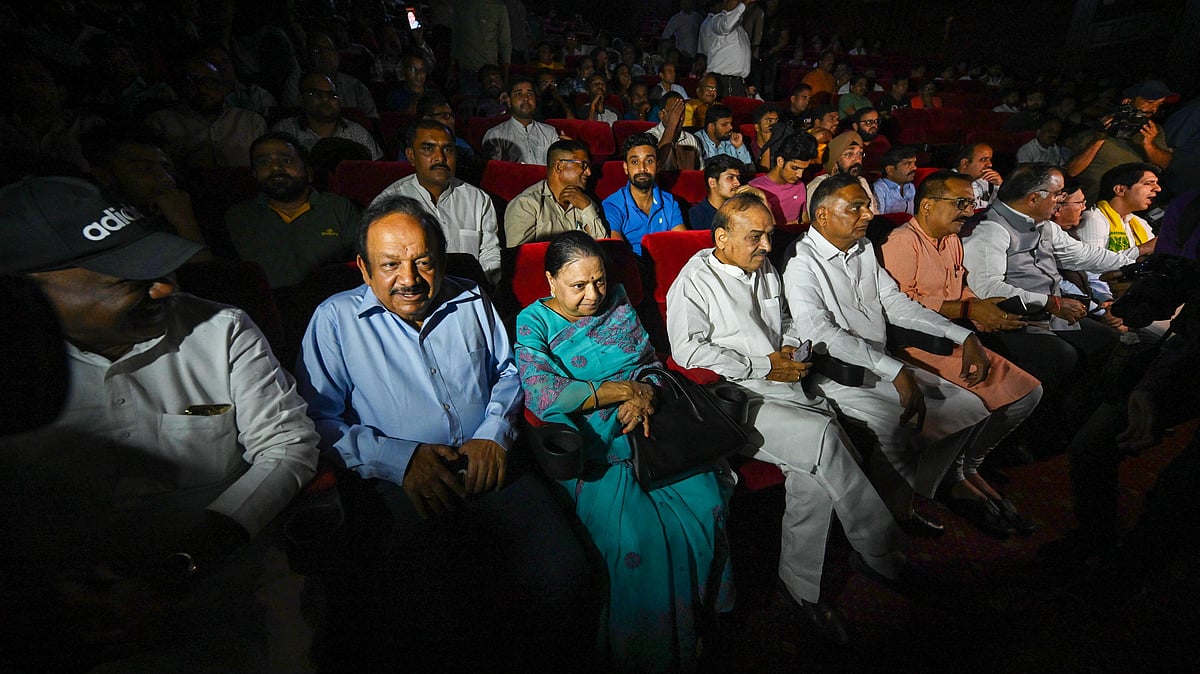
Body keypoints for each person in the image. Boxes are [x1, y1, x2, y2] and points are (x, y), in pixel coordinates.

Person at [0, 176, 319, 671]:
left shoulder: (220, 330)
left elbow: (287, 447)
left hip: (231, 594)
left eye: (162, 266)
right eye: (126, 279)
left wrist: (180, 570)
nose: (165, 287)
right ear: (26, 293)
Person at [294, 195, 592, 670]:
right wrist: (399, 459)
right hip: (399, 483)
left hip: (490, 462)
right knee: (434, 611)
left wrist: (493, 433)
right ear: (363, 268)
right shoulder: (334, 320)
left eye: (423, 262)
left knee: (566, 575)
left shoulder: (471, 297)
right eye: (390, 265)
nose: (409, 279)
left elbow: (510, 371)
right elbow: (315, 419)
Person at [667, 195, 910, 643]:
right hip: (730, 396)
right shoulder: (694, 280)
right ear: (722, 237)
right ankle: (880, 550)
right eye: (754, 237)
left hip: (780, 382)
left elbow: (786, 320)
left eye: (768, 236)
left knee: (812, 476)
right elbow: (689, 351)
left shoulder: (763, 267)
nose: (764, 246)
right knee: (824, 437)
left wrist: (791, 350)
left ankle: (802, 588)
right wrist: (763, 365)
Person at [514, 230, 732, 669]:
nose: (593, 295)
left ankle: (697, 624)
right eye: (578, 286)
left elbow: (648, 360)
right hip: (592, 441)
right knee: (640, 539)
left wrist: (647, 390)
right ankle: (646, 655)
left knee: (707, 503)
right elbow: (541, 392)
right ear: (551, 280)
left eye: (598, 281)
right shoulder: (532, 321)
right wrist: (620, 391)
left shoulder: (615, 297)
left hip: (652, 425)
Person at [784, 174, 995, 534]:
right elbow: (819, 331)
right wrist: (894, 371)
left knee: (971, 409)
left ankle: (908, 498)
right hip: (839, 372)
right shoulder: (801, 263)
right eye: (856, 207)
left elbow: (893, 303)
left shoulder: (863, 247)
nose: (869, 214)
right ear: (822, 216)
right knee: (899, 430)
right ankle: (882, 524)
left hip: (882, 363)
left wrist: (963, 335)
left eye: (867, 204)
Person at [878, 171, 1044, 535]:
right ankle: (952, 479)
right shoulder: (902, 242)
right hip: (918, 343)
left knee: (1028, 392)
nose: (968, 211)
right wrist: (968, 312)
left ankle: (969, 465)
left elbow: (960, 289)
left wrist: (988, 308)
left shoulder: (951, 240)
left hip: (955, 336)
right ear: (927, 205)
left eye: (970, 202)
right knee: (976, 402)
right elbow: (902, 306)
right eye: (960, 203)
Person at [961, 163, 1155, 393]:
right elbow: (988, 288)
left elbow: (1084, 255)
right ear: (1033, 198)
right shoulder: (990, 229)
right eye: (1056, 195)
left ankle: (1079, 410)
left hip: (1050, 311)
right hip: (1012, 319)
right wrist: (1051, 303)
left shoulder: (1043, 225)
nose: (1059, 202)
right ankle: (1045, 415)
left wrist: (1137, 260)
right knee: (1063, 356)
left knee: (1105, 339)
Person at [224, 132, 359, 289]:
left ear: (308, 172)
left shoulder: (339, 207)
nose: (275, 168)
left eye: (286, 160)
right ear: (254, 175)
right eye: (264, 162)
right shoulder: (239, 216)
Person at [375, 120, 501, 285]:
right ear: (411, 156)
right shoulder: (389, 203)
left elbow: (490, 254)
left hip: (468, 294)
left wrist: (480, 290)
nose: (440, 157)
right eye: (428, 149)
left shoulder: (478, 199)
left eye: (447, 149)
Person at [80, 123, 208, 248]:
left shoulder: (191, 206)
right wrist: (185, 224)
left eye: (166, 168)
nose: (166, 179)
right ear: (104, 175)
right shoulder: (99, 230)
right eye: (145, 169)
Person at [146, 58, 267, 170]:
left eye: (209, 82)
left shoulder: (251, 122)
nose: (202, 90)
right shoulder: (162, 122)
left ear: (222, 86)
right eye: (193, 83)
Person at [1066, 80, 1176, 202]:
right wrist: (1100, 138)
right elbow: (1071, 171)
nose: (1154, 109)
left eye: (1159, 104)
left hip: (1129, 207)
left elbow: (1164, 164)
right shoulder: (1097, 128)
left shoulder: (1153, 131)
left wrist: (1149, 144)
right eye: (1150, 102)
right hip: (1094, 204)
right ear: (1127, 102)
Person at [504, 139, 608, 246]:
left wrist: (587, 208)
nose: (589, 172)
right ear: (559, 166)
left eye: (589, 166)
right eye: (583, 165)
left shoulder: (585, 202)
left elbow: (604, 249)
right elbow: (521, 258)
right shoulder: (526, 204)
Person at [601, 132, 686, 254]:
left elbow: (683, 242)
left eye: (649, 161)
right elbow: (618, 253)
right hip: (632, 268)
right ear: (626, 167)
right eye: (635, 162)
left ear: (658, 165)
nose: (642, 168)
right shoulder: (612, 205)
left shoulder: (670, 202)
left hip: (666, 264)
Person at [272, 72, 383, 160]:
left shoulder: (358, 133)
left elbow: (375, 170)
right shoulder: (286, 130)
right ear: (301, 99)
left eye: (332, 95)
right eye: (315, 94)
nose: (325, 99)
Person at [281, 33, 378, 118]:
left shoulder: (355, 86)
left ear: (337, 55)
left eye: (329, 49)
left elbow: (371, 120)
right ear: (307, 56)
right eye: (316, 50)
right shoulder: (296, 81)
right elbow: (292, 115)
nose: (324, 54)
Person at [481, 76, 560, 164]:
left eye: (530, 94)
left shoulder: (550, 132)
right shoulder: (496, 135)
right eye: (518, 94)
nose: (526, 98)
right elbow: (493, 173)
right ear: (509, 101)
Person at [805, 131, 879, 221]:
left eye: (860, 153)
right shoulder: (819, 185)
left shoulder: (862, 182)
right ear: (834, 161)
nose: (857, 159)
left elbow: (874, 215)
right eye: (849, 154)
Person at [749, 131, 818, 225]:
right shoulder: (755, 188)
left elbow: (805, 220)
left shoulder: (800, 186)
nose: (800, 175)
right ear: (780, 161)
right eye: (795, 168)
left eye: (804, 169)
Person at [450, 0, 512, 95]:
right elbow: (456, 38)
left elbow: (506, 45)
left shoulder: (498, 8)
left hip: (489, 72)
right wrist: (452, 69)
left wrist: (505, 79)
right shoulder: (461, 5)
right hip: (467, 71)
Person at [698, 0, 752, 97]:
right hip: (722, 81)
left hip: (737, 82)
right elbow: (726, 25)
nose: (738, 3)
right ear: (725, 3)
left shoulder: (739, 27)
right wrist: (744, 4)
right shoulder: (716, 20)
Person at [690, 153, 745, 229]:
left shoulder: (742, 209)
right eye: (730, 177)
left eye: (738, 178)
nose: (738, 183)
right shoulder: (698, 214)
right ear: (712, 183)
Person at [872, 145, 919, 215]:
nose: (915, 168)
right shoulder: (879, 189)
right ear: (890, 170)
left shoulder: (910, 187)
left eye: (914, 163)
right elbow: (878, 218)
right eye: (908, 164)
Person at [955, 142, 1003, 210]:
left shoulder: (983, 181)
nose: (990, 164)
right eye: (983, 159)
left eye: (990, 160)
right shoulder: (948, 184)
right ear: (965, 163)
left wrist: (998, 186)